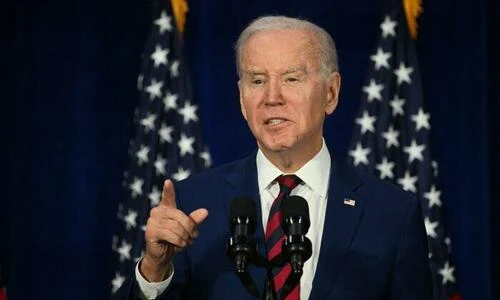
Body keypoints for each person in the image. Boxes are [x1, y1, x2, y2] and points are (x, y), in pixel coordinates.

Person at [119, 15, 432, 299]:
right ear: (242, 99)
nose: (271, 98)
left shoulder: (392, 215)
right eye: (257, 80)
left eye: (291, 78)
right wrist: (153, 269)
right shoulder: (193, 205)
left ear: (331, 93)